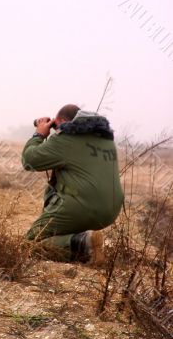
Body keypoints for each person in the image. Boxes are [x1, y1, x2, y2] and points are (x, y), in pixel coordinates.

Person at [21, 104, 124, 264]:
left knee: (28, 245)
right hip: (110, 212)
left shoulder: (66, 140)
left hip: (81, 207)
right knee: (68, 227)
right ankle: (91, 243)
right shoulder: (106, 140)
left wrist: (39, 134)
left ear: (61, 121)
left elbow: (29, 161)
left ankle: (83, 244)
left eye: (56, 124)